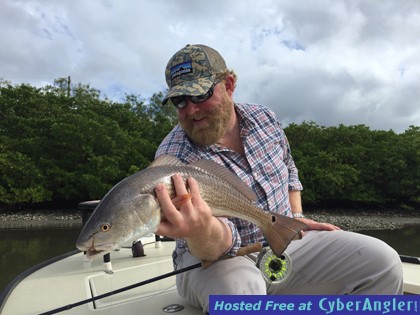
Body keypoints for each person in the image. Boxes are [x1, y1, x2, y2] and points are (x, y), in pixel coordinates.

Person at [153, 44, 403, 313]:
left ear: (228, 84)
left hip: (283, 238)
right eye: (180, 101)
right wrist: (201, 230)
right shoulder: (173, 159)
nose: (191, 111)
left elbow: (289, 170)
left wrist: (296, 219)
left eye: (200, 95)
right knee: (238, 298)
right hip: (215, 258)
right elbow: (212, 249)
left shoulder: (265, 118)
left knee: (382, 261)